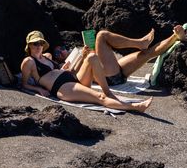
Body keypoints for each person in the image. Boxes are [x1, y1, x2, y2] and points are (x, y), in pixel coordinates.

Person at [20, 30, 153, 114]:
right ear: (29, 45)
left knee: (92, 56)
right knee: (99, 97)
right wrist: (39, 90)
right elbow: (24, 84)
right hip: (62, 87)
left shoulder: (47, 56)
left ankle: (108, 92)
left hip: (72, 78)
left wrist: (80, 57)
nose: (38, 46)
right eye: (35, 43)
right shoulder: (28, 61)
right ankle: (136, 107)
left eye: (40, 43)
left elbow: (68, 71)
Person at [90, 25, 187, 87]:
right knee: (102, 36)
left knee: (147, 54)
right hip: (105, 77)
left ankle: (176, 36)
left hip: (112, 75)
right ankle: (140, 43)